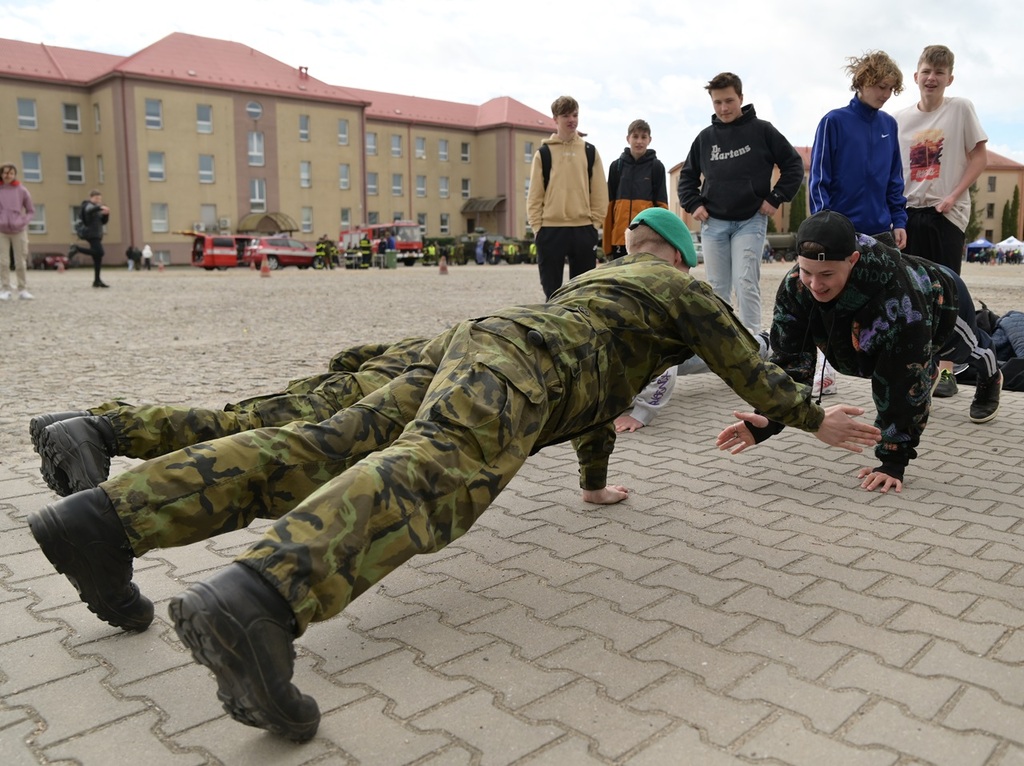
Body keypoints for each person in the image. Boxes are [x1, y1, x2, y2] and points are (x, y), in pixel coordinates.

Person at [26, 206, 879, 741]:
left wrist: (593, 484)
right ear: (679, 260)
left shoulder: (600, 292)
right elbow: (748, 367)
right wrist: (813, 417)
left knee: (323, 444)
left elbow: (591, 405)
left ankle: (105, 520)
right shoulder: (682, 293)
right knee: (430, 479)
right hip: (518, 367)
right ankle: (258, 601)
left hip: (479, 342)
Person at [717, 210, 1002, 495]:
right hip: (883, 334)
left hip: (943, 300)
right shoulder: (796, 287)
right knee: (911, 358)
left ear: (852, 260)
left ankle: (991, 376)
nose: (815, 285)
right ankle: (927, 362)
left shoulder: (900, 297)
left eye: (826, 274)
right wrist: (766, 422)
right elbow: (790, 363)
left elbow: (901, 381)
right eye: (807, 272)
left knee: (969, 351)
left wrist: (892, 461)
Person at [31, 337, 429, 497]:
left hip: (324, 388)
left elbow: (346, 357)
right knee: (233, 431)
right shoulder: (468, 356)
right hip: (342, 407)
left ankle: (74, 422)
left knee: (230, 421)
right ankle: (98, 432)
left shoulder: (422, 339)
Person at [678, 72, 804, 334]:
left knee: (746, 281)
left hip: (750, 221)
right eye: (717, 103)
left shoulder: (762, 131)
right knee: (716, 286)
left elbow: (793, 164)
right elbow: (687, 177)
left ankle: (752, 344)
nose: (724, 108)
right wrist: (693, 204)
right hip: (714, 223)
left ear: (741, 98)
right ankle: (723, 345)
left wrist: (775, 198)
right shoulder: (705, 138)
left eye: (729, 101)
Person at [896, 44, 988, 399]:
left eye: (939, 72)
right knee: (910, 293)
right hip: (908, 213)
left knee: (947, 291)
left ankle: (948, 371)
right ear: (915, 75)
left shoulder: (960, 109)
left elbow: (978, 157)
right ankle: (920, 367)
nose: (931, 78)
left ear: (950, 78)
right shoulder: (901, 119)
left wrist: (953, 195)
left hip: (944, 212)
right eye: (926, 71)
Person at [809, 51, 907, 248]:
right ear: (863, 81)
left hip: (881, 233)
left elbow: (894, 180)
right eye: (881, 87)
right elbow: (819, 180)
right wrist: (824, 223)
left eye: (891, 89)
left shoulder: (889, 125)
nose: (887, 95)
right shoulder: (833, 121)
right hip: (840, 231)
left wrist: (899, 221)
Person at [527, 95, 608, 298]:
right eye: (566, 115)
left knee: (582, 293)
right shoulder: (543, 153)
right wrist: (537, 227)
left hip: (583, 230)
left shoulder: (590, 152)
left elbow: (599, 192)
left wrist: (594, 224)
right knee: (552, 293)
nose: (572, 119)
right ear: (555, 118)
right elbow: (535, 195)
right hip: (550, 230)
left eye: (575, 115)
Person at [602, 119, 668, 258]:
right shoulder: (616, 167)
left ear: (649, 140)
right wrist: (607, 246)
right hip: (619, 240)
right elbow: (609, 207)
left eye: (643, 137)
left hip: (645, 241)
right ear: (628, 138)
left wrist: (661, 243)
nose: (639, 141)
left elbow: (662, 209)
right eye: (635, 136)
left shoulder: (656, 167)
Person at [0, 162, 35, 301]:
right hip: (1, 231)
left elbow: (31, 211)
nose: (8, 175)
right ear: (1, 174)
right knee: (3, 261)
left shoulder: (22, 190)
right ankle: (5, 289)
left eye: (11, 173)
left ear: (15, 175)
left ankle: (22, 289)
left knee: (20, 261)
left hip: (19, 230)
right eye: (5, 172)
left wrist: (22, 221)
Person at [70, 189, 111, 288]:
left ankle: (97, 280)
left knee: (97, 258)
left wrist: (106, 215)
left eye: (99, 199)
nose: (98, 200)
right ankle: (77, 248)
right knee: (100, 252)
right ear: (91, 198)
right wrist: (100, 207)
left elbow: (103, 222)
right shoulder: (88, 205)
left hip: (97, 233)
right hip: (91, 233)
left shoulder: (96, 209)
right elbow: (90, 210)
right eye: (96, 198)